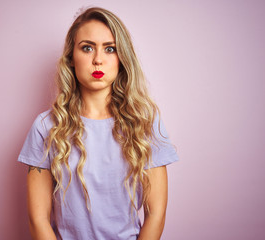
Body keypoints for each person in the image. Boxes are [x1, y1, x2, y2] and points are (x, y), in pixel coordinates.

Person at [18, 7, 179, 240]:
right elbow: (38, 219)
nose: (97, 60)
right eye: (87, 48)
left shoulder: (145, 122)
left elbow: (156, 214)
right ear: (71, 58)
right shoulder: (46, 127)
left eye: (110, 49)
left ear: (121, 57)